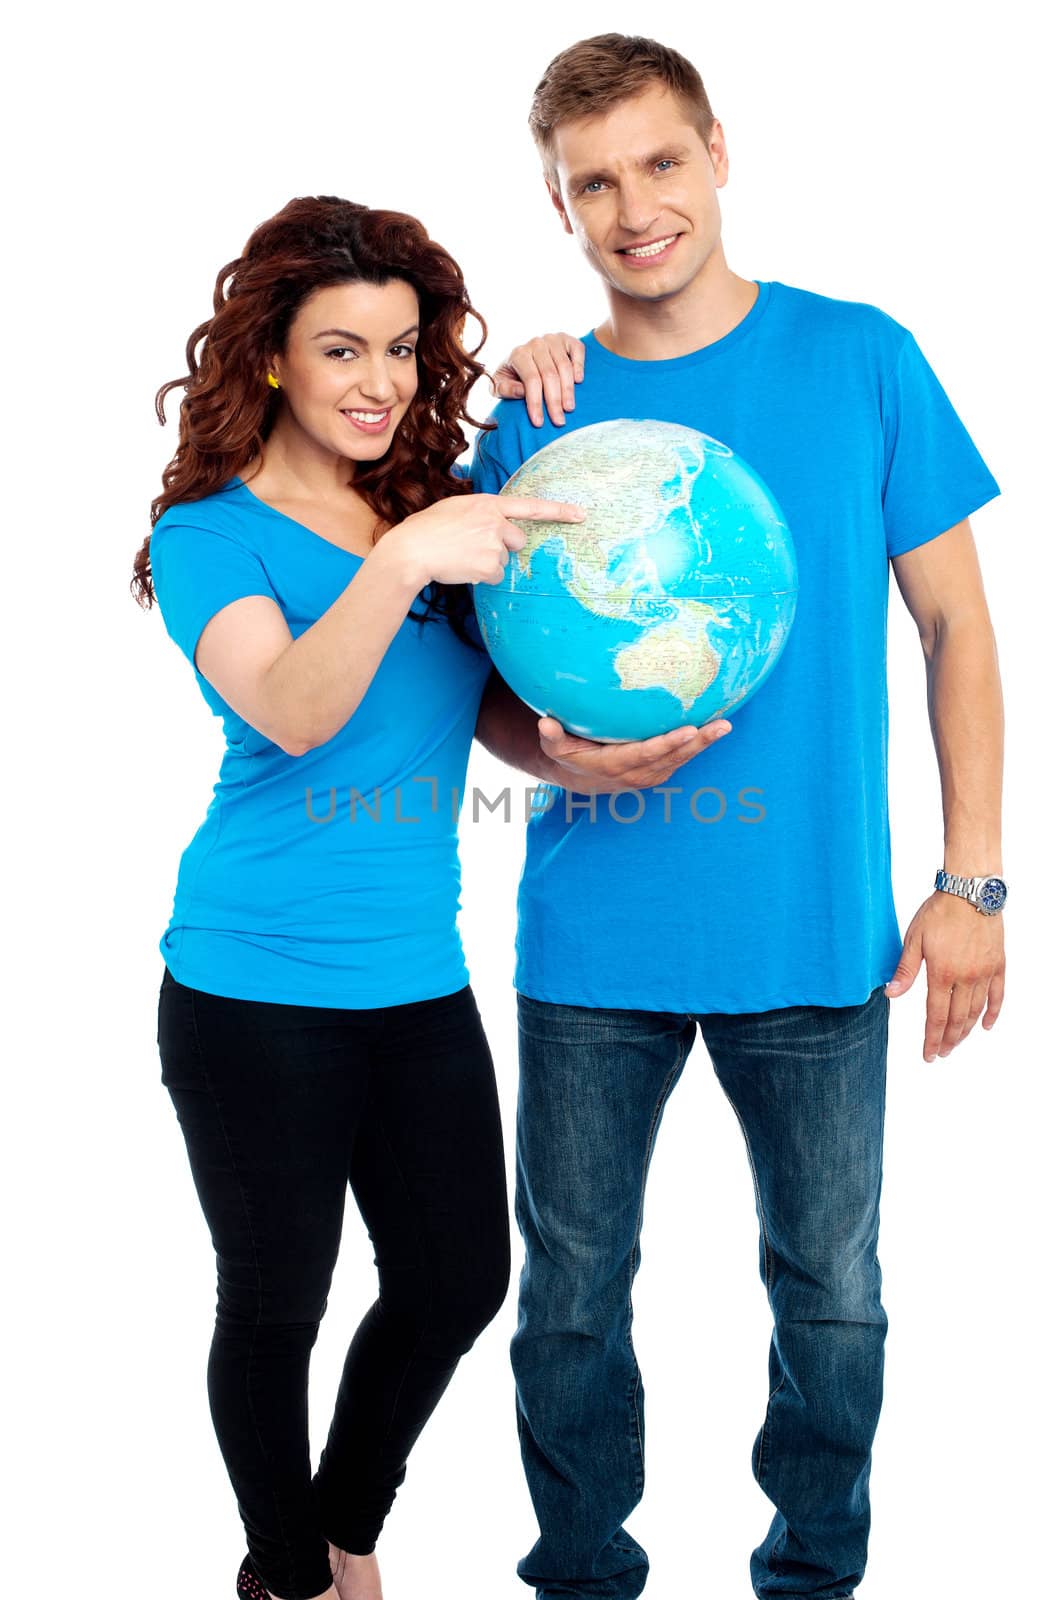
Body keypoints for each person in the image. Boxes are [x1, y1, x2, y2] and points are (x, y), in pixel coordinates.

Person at [472, 34, 1007, 1600]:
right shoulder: (536, 412)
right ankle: (579, 1577)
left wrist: (972, 881)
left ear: (717, 149)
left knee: (831, 1291)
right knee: (570, 1295)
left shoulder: (863, 357)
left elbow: (957, 628)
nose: (634, 207)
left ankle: (813, 1576)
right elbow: (479, 692)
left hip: (818, 926)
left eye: (657, 161)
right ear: (558, 205)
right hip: (593, 937)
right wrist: (554, 760)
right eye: (592, 183)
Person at [135, 195, 710, 1600]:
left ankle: (340, 1522)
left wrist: (573, 750)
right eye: (342, 350)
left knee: (456, 1277)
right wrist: (401, 558)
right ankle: (287, 1574)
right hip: (251, 987)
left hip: (412, 979)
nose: (382, 381)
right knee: (275, 1306)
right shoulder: (218, 533)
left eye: (403, 348)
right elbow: (292, 709)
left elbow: (483, 722)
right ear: (269, 358)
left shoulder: (424, 503)